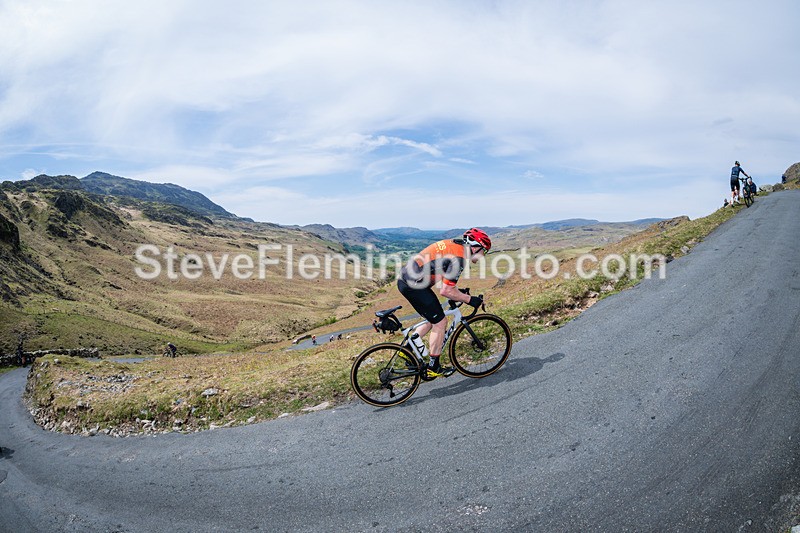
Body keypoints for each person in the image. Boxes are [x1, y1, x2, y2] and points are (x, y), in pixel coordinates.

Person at [397, 228, 491, 379]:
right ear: (475, 246)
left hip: (407, 280)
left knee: (433, 318)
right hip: (414, 285)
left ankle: (407, 348)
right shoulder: (459, 258)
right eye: (483, 251)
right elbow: (446, 291)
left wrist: (458, 292)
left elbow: (446, 280)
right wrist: (470, 300)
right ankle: (433, 367)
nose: (482, 256)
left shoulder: (455, 246)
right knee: (440, 322)